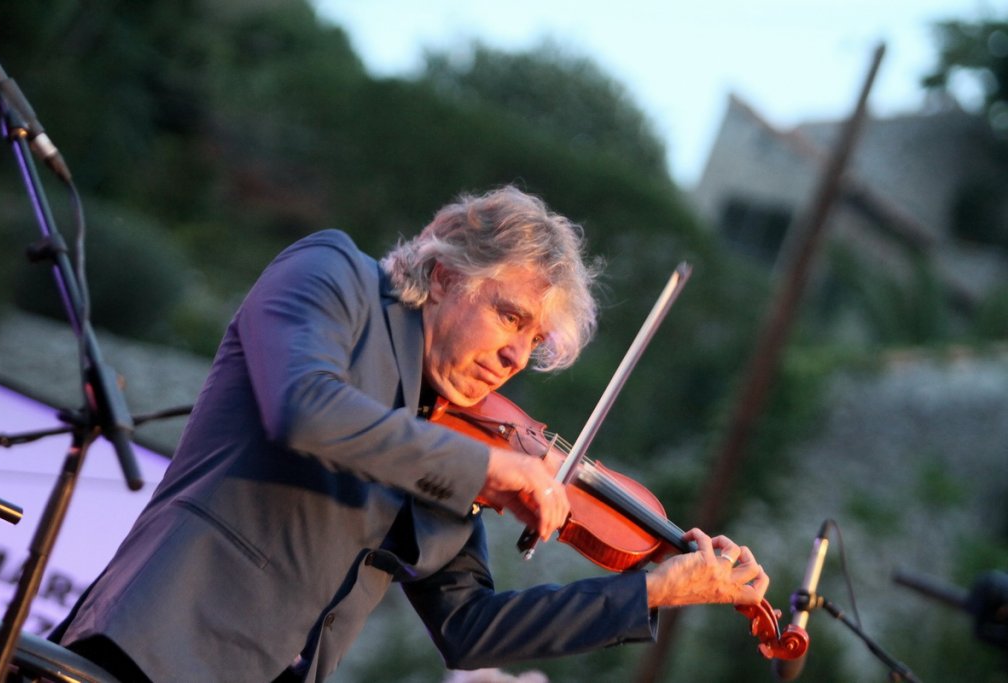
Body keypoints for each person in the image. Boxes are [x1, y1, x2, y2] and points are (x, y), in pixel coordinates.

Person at [54, 185, 769, 682]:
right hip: (148, 653)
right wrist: (485, 472)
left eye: (536, 341)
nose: (518, 355)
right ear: (446, 270)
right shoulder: (335, 276)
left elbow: (471, 629)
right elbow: (303, 407)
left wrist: (649, 591)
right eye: (511, 316)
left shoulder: (462, 441)